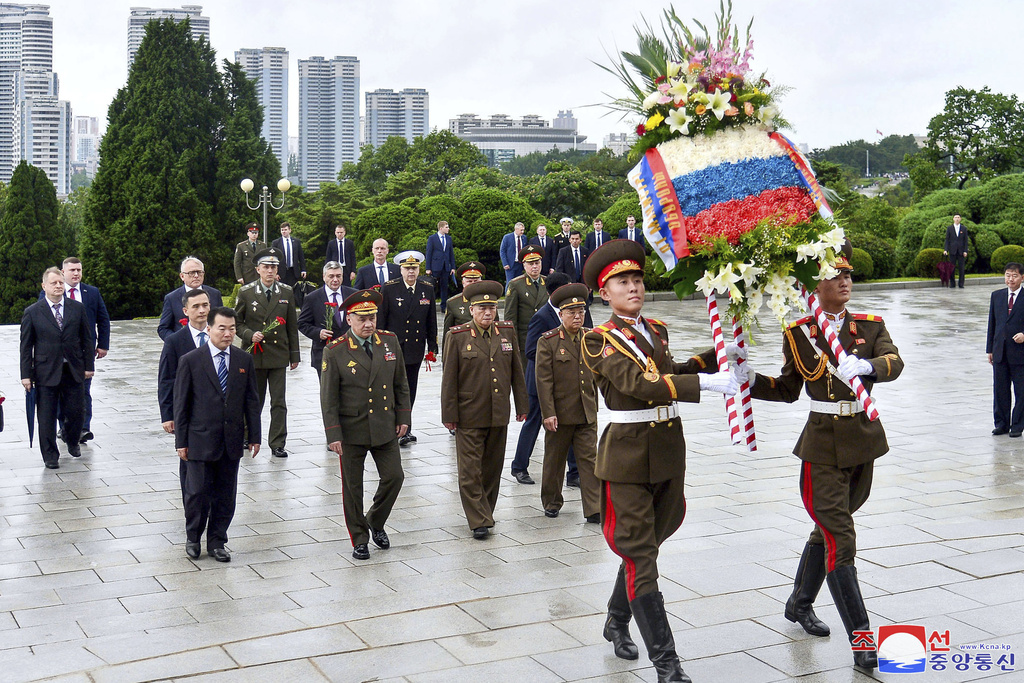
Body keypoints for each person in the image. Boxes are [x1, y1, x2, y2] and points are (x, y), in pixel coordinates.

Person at [581, 241, 735, 682]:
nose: (633, 287)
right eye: (621, 282)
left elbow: (671, 368)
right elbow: (642, 385)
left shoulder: (656, 329)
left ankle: (615, 618)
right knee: (642, 556)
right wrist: (705, 383)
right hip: (627, 456)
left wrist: (716, 353)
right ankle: (668, 667)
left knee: (644, 548)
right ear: (604, 293)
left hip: (667, 453)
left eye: (637, 279)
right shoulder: (598, 340)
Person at [744, 241, 903, 671]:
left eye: (847, 275)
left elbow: (895, 361)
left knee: (828, 530)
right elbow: (786, 389)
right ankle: (864, 641)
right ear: (814, 285)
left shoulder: (868, 326)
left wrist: (869, 368)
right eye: (835, 276)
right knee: (840, 538)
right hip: (821, 448)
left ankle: (798, 602)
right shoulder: (799, 332)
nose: (845, 281)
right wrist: (746, 378)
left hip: (863, 441)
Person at [321, 289, 411, 560]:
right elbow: (328, 398)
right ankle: (359, 538)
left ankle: (375, 520)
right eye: (362, 319)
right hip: (353, 429)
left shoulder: (389, 342)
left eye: (372, 317)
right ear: (349, 319)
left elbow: (401, 383)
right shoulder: (335, 351)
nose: (369, 323)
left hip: (384, 424)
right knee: (353, 487)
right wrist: (333, 433)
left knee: (395, 477)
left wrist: (404, 417)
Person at [441, 280, 528, 539]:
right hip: (469, 412)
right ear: (471, 310)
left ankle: (486, 511)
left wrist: (522, 404)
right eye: (482, 308)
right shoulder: (457, 337)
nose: (488, 313)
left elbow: (516, 371)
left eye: (491, 307)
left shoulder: (506, 332)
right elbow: (449, 380)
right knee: (470, 470)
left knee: (492, 467)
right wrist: (449, 415)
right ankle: (478, 519)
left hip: (498, 411)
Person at [173, 307, 261, 562]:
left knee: (226, 494)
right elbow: (182, 404)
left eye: (232, 328)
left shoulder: (243, 360)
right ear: (209, 329)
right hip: (199, 439)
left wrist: (254, 435)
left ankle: (217, 541)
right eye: (222, 328)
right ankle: (193, 537)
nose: (227, 333)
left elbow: (251, 402)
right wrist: (182, 441)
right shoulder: (191, 360)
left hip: (230, 439)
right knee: (197, 493)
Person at [536, 283, 600, 522]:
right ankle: (552, 501)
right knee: (555, 460)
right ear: (560, 314)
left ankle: (594, 507)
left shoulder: (591, 338)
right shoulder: (549, 341)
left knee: (590, 461)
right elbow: (544, 380)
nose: (577, 316)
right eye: (572, 313)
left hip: (586, 411)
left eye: (581, 312)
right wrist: (548, 413)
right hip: (560, 414)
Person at [20, 267, 95, 469]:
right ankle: (50, 455)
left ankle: (72, 440)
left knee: (76, 411)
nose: (59, 286)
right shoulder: (33, 312)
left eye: (61, 282)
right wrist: (26, 375)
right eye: (54, 283)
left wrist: (89, 365)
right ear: (44, 286)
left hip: (73, 369)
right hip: (45, 371)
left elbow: (87, 339)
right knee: (46, 416)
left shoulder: (77, 308)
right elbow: (26, 346)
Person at [234, 248, 300, 458]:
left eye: (273, 267)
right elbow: (236, 322)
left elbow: (291, 325)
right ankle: (247, 435)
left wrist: (294, 355)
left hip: (278, 355)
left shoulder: (286, 292)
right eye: (266, 267)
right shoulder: (246, 291)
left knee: (278, 402)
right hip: (255, 354)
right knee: (254, 399)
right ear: (258, 270)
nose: (270, 271)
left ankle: (277, 442)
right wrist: (249, 335)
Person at [378, 250, 438, 446]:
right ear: (400, 270)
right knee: (393, 388)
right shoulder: (389, 288)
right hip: (393, 347)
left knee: (410, 388)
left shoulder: (426, 288)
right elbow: (382, 319)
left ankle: (406, 428)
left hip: (415, 347)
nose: (411, 272)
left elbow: (431, 320)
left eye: (414, 268)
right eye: (407, 268)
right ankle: (390, 426)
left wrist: (433, 346)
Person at [158, 289, 211, 505]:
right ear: (185, 310)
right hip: (188, 415)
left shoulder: (219, 336)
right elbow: (166, 380)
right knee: (189, 465)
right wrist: (168, 415)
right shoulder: (175, 341)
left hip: (216, 413)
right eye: (196, 306)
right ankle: (192, 507)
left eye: (205, 305)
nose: (201, 310)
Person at [56, 257, 110, 443]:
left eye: (79, 270)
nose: (76, 273)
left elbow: (103, 319)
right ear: (63, 272)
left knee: (84, 390)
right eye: (72, 270)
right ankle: (64, 426)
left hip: (83, 351)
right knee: (61, 390)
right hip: (60, 353)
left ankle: (83, 428)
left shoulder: (91, 292)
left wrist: (103, 344)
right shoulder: (53, 291)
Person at [298, 261, 354, 378]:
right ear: (324, 277)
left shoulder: (352, 295)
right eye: (331, 276)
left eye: (338, 276)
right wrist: (318, 332)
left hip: (350, 353)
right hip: (324, 353)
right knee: (328, 393)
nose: (335, 279)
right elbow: (302, 324)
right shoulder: (312, 298)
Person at [987, 261, 1024, 437]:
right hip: (1000, 351)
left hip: (1020, 353)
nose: (1011, 279)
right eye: (1008, 275)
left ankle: (1017, 425)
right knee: (1000, 390)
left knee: (1021, 391)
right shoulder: (997, 296)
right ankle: (1001, 424)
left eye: (1015, 275)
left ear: (1022, 278)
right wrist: (990, 349)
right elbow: (992, 325)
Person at [158, 257, 223, 340]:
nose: (196, 276)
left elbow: (221, 322)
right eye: (191, 273)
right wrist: (177, 342)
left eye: (199, 272)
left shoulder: (215, 294)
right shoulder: (172, 298)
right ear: (182, 276)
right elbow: (163, 329)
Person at [503, 244, 548, 363]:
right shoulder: (516, 285)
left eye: (537, 263)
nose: (534, 267)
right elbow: (510, 317)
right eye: (530, 264)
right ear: (524, 265)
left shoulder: (548, 282)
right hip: (526, 340)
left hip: (547, 338)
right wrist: (512, 342)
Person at [442, 261, 486, 349]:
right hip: (462, 348)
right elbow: (447, 334)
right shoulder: (453, 303)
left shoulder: (489, 301)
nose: (473, 284)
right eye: (469, 281)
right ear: (463, 282)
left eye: (476, 281)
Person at [425, 220, 456, 311]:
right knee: (433, 287)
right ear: (441, 228)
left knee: (444, 286)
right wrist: (428, 268)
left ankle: (444, 307)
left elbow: (451, 253)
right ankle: (431, 307)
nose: (448, 229)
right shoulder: (432, 238)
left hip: (445, 266)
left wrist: (453, 267)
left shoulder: (448, 238)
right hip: (435, 266)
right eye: (446, 227)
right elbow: (429, 253)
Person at [271, 222, 306, 287]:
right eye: (282, 230)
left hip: (293, 272)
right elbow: (273, 259)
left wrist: (303, 269)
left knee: (293, 291)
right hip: (281, 273)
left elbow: (301, 256)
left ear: (289, 230)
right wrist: (275, 273)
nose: (283, 231)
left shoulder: (296, 242)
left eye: (285, 230)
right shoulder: (276, 243)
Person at [944, 213, 969, 289]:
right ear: (953, 219)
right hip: (952, 251)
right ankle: (952, 283)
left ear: (960, 219)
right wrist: (946, 250)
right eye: (955, 217)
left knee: (961, 268)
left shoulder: (964, 228)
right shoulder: (949, 228)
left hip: (961, 251)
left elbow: (966, 241)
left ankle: (961, 284)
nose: (957, 219)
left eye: (958, 217)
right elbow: (947, 240)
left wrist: (965, 251)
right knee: (952, 268)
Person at [499, 222, 527, 289]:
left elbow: (525, 251)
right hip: (510, 264)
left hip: (520, 264)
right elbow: (502, 251)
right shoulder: (507, 237)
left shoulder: (524, 238)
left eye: (523, 230)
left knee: (519, 282)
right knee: (510, 282)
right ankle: (508, 298)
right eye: (521, 230)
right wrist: (505, 263)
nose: (522, 232)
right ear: (516, 229)